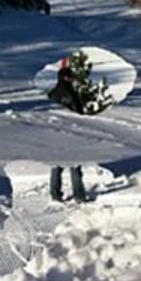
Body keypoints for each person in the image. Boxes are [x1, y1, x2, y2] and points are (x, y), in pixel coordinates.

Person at [46, 65, 87, 202]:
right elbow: (78, 113)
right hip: (70, 133)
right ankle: (79, 195)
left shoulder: (52, 93)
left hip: (53, 133)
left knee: (56, 166)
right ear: (66, 78)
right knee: (74, 166)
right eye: (71, 77)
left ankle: (55, 195)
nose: (73, 80)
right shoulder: (71, 93)